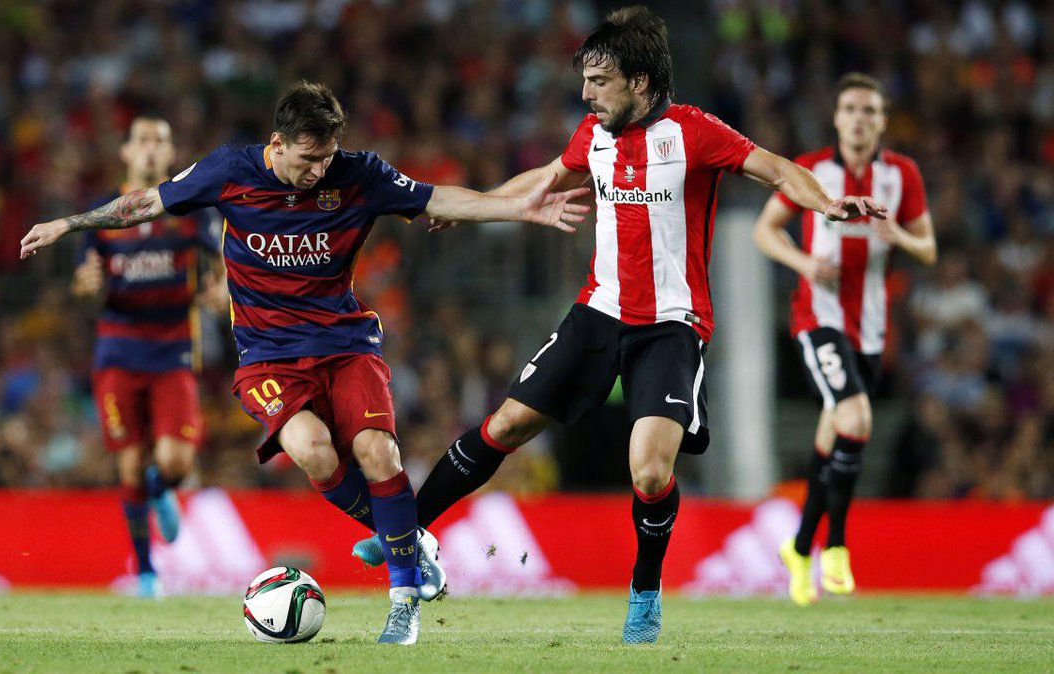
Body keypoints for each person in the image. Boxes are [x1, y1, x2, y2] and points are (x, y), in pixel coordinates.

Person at [351, 6, 886, 644]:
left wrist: (826, 202)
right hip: (598, 311)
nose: (586, 94)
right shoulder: (593, 134)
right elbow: (547, 179)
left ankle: (645, 592)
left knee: (651, 473)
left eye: (599, 81)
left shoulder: (695, 133)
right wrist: (475, 210)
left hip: (670, 323)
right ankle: (406, 532)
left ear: (638, 82)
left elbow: (776, 168)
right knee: (506, 424)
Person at [20, 81, 589, 645]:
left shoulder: (358, 173)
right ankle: (411, 543)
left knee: (377, 450)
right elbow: (145, 202)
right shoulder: (228, 171)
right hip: (268, 355)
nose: (319, 170)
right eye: (308, 159)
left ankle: (403, 601)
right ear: (278, 142)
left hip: (345, 344)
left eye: (327, 158)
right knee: (313, 451)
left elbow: (437, 198)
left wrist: (519, 208)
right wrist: (68, 224)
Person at [753, 73, 936, 606]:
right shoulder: (811, 171)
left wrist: (897, 235)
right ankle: (835, 544)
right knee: (856, 418)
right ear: (836, 118)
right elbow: (765, 231)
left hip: (872, 329)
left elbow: (927, 249)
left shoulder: (902, 175)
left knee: (833, 434)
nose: (859, 118)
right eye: (850, 109)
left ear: (882, 121)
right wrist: (804, 261)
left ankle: (800, 547)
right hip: (818, 316)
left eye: (869, 110)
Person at [71, 115, 227, 598]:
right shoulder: (101, 217)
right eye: (143, 141)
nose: (151, 149)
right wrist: (85, 284)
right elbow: (83, 279)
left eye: (160, 141)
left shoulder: (192, 212)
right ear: (126, 152)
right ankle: (145, 573)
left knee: (176, 462)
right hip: (118, 351)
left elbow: (222, 261)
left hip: (174, 348)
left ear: (171, 152)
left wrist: (220, 287)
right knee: (130, 466)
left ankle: (166, 488)